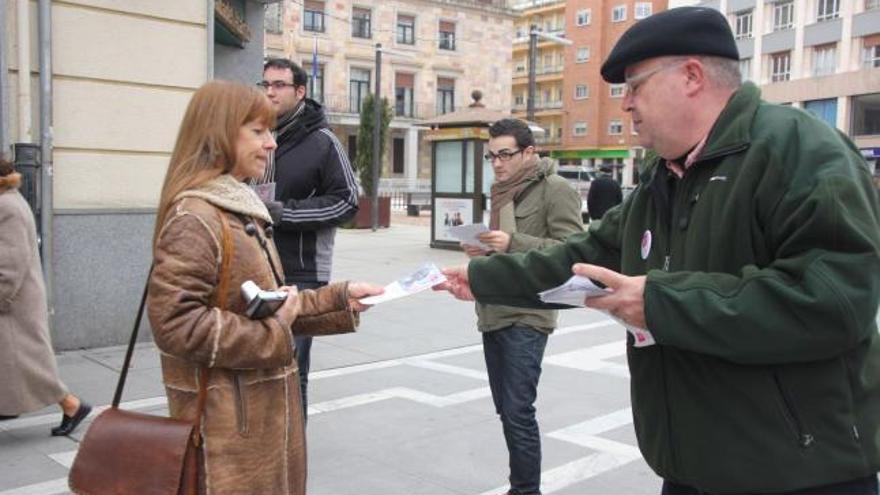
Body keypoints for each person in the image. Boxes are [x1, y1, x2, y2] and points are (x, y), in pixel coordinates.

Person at [436, 7, 880, 495]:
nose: (625, 104)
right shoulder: (660, 177)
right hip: (690, 464)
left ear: (691, 76)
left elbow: (834, 302)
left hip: (797, 471)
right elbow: (583, 254)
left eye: (635, 86)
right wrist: (480, 279)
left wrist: (661, 303)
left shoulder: (800, 150)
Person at [146, 81, 382, 494]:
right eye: (258, 131)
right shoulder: (196, 216)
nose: (271, 144)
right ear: (220, 132)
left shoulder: (237, 207)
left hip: (252, 425)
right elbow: (175, 324)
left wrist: (339, 299)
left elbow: (268, 304)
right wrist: (271, 333)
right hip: (225, 438)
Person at [462, 118, 582, 495]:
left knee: (518, 411)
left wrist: (512, 242)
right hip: (494, 309)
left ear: (529, 153)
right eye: (491, 156)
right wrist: (483, 248)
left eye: (505, 155)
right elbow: (504, 247)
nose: (497, 164)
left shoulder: (555, 189)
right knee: (507, 411)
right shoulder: (502, 191)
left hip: (529, 313)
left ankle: (526, 490)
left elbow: (573, 252)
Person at [254, 58, 359, 416]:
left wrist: (286, 213)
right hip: (253, 263)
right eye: (265, 84)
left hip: (301, 269)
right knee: (258, 362)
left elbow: (347, 202)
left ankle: (291, 451)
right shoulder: (256, 135)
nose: (270, 91)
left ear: (300, 92)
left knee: (292, 364)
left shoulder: (322, 141)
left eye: (279, 85)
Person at [0, 157, 92, 435]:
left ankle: (71, 404)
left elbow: (9, 263)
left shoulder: (6, 207)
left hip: (13, 304)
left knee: (30, 363)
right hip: (16, 301)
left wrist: (2, 296)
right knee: (19, 362)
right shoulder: (8, 201)